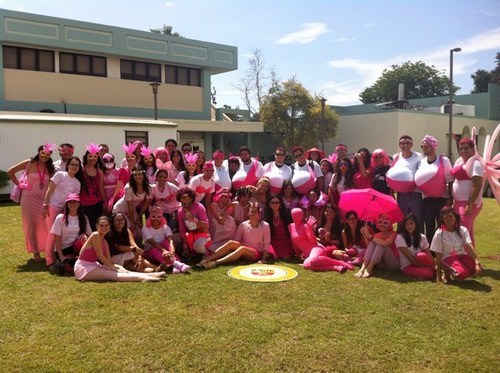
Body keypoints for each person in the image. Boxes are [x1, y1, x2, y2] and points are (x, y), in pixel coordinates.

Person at [74, 216, 165, 282]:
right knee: (114, 275)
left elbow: (109, 259)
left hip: (93, 265)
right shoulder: (95, 235)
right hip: (83, 268)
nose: (104, 228)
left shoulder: (104, 242)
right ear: (96, 226)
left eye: (106, 225)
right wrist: (113, 267)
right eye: (101, 226)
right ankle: (142, 278)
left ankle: (150, 274)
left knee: (121, 269)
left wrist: (116, 266)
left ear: (109, 227)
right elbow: (100, 256)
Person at [8, 144, 56, 261]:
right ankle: (36, 252)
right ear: (39, 152)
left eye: (48, 154)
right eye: (43, 153)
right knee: (32, 225)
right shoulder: (29, 162)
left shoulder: (50, 167)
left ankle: (48, 249)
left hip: (43, 200)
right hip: (28, 199)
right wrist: (19, 184)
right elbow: (10, 171)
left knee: (46, 225)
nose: (45, 156)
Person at [199, 203, 272, 269]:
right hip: (244, 248)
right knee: (231, 242)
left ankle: (215, 263)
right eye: (251, 211)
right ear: (248, 213)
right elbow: (236, 240)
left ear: (259, 213)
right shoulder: (243, 224)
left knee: (242, 248)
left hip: (256, 252)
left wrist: (263, 259)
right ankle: (206, 259)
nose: (253, 214)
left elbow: (267, 243)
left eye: (255, 211)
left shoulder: (265, 225)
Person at [42, 156, 84, 268]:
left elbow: (74, 199)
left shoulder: (77, 183)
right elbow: (49, 190)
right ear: (68, 165)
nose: (74, 167)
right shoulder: (60, 175)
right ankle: (49, 261)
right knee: (52, 235)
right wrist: (45, 205)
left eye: (77, 165)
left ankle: (59, 256)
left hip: (65, 210)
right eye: (72, 164)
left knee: (59, 235)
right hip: (52, 207)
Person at [415, 135, 453, 243]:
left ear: (434, 146)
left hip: (442, 199)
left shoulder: (443, 160)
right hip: (427, 200)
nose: (424, 148)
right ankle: (431, 253)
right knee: (429, 227)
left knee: (442, 226)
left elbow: (450, 180)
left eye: (427, 146)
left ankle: (443, 250)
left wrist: (450, 197)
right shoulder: (421, 163)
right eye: (422, 147)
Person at [288, 208, 353, 272]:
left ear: (302, 216)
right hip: (309, 254)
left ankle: (340, 263)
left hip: (316, 248)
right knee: (306, 265)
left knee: (313, 260)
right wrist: (299, 257)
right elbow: (294, 243)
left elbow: (313, 241)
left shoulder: (305, 226)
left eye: (298, 215)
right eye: (294, 215)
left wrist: (310, 228)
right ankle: (336, 267)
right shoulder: (291, 226)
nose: (296, 217)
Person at [431, 206, 482, 283]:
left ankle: (457, 270)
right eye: (445, 217)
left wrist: (477, 262)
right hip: (446, 258)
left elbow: (469, 245)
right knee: (462, 274)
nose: (448, 219)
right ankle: (446, 271)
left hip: (461, 256)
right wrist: (439, 277)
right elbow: (438, 256)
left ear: (455, 217)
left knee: (473, 269)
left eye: (451, 216)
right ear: (442, 220)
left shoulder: (462, 230)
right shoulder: (439, 233)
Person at [451, 138, 484, 247]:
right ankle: (472, 260)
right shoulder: (459, 161)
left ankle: (462, 258)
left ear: (473, 149)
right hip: (458, 203)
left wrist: (469, 204)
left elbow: (477, 184)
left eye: (466, 148)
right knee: (468, 232)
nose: (463, 151)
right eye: (461, 149)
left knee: (462, 231)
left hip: (469, 203)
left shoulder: (476, 164)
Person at [50, 193, 91, 274]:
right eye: (70, 202)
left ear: (79, 204)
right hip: (63, 248)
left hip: (77, 246)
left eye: (75, 202)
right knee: (70, 266)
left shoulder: (84, 218)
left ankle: (81, 260)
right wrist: (61, 256)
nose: (72, 204)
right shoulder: (60, 218)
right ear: (67, 204)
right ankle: (67, 262)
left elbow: (90, 235)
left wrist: (85, 235)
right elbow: (57, 239)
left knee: (84, 237)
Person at [141, 206, 190, 274]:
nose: (156, 219)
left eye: (158, 217)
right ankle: (177, 263)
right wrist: (164, 251)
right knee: (154, 250)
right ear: (150, 217)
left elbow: (171, 240)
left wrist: (172, 250)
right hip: (150, 253)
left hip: (165, 252)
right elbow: (153, 243)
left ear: (162, 217)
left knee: (166, 242)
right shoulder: (145, 228)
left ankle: (175, 266)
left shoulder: (165, 227)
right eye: (153, 216)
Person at [386, 135, 423, 222]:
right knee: (402, 219)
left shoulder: (418, 156)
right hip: (401, 194)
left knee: (417, 218)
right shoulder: (396, 156)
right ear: (400, 145)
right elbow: (393, 173)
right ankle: (402, 235)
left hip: (415, 192)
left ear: (411, 144)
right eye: (402, 143)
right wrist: (391, 193)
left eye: (408, 143)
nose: (405, 145)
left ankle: (419, 235)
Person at [112, 166, 152, 240]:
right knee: (130, 226)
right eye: (135, 175)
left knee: (139, 226)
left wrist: (139, 217)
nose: (138, 177)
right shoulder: (128, 188)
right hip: (120, 209)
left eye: (140, 174)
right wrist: (132, 222)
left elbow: (145, 205)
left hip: (131, 210)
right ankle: (127, 245)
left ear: (143, 175)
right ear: (132, 176)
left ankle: (139, 245)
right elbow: (129, 206)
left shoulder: (149, 187)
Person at [355, 213, 398, 278]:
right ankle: (363, 268)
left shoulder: (393, 233)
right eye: (380, 222)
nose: (382, 225)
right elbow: (369, 247)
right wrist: (364, 234)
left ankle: (369, 269)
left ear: (389, 224)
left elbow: (385, 243)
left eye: (385, 223)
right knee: (373, 242)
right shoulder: (376, 235)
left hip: (392, 264)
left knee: (381, 244)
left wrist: (369, 235)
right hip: (380, 264)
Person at [395, 213, 435, 280]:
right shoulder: (400, 237)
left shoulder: (422, 237)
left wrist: (434, 266)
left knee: (422, 255)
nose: (409, 226)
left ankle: (433, 270)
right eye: (407, 224)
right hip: (407, 266)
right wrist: (423, 267)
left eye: (411, 223)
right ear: (404, 226)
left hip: (418, 260)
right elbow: (409, 257)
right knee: (429, 273)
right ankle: (430, 271)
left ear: (415, 224)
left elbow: (429, 254)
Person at [176, 188, 212, 259]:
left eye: (185, 198)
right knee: (174, 238)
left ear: (191, 198)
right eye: (181, 199)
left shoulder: (199, 207)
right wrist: (185, 247)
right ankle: (188, 254)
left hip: (203, 235)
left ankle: (209, 255)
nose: (183, 201)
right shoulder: (180, 211)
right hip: (190, 235)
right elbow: (182, 230)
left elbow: (205, 225)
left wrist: (193, 219)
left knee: (198, 246)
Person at [80, 143, 106, 229]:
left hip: (97, 203)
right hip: (83, 204)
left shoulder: (99, 171)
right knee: (85, 227)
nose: (93, 159)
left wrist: (104, 201)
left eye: (95, 157)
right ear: (86, 157)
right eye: (90, 156)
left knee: (96, 227)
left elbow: (101, 187)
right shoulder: (81, 169)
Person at [151, 169, 180, 233]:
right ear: (156, 177)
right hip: (163, 210)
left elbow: (181, 194)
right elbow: (150, 201)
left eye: (164, 177)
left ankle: (168, 237)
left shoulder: (171, 187)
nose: (162, 179)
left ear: (167, 178)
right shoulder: (153, 188)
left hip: (174, 210)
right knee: (162, 225)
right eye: (160, 177)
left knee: (170, 225)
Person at [265, 194, 294, 259]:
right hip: (274, 241)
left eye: (277, 202)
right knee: (273, 256)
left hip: (286, 241)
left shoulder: (286, 212)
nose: (275, 204)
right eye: (272, 202)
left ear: (280, 204)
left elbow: (292, 226)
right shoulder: (267, 215)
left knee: (286, 257)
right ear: (269, 204)